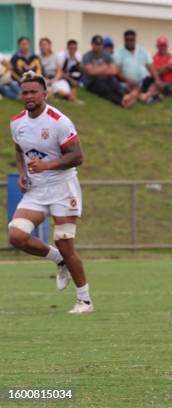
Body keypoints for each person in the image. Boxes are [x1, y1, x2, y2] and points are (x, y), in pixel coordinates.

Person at [8, 72, 93, 314]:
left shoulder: (58, 121)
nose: (29, 96)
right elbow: (19, 150)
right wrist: (23, 172)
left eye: (34, 91)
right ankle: (59, 260)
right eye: (25, 92)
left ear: (44, 94)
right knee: (16, 235)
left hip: (63, 188)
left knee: (65, 242)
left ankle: (84, 300)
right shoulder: (17, 123)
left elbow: (77, 157)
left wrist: (46, 166)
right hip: (36, 190)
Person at [81, 35, 138, 108]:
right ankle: (121, 102)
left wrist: (96, 68)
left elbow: (114, 71)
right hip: (92, 82)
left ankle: (126, 97)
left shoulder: (106, 55)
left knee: (114, 84)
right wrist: (105, 67)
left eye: (100, 44)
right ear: (92, 44)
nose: (98, 46)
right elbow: (90, 72)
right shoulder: (87, 56)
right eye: (96, 44)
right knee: (105, 90)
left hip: (106, 78)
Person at [114, 30, 163, 103]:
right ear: (124, 40)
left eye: (132, 39)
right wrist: (128, 80)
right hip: (127, 82)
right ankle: (148, 96)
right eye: (128, 39)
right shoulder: (118, 53)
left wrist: (157, 80)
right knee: (122, 86)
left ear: (135, 39)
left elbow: (151, 67)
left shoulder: (143, 51)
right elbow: (117, 72)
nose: (130, 41)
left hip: (142, 81)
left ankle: (145, 95)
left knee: (156, 82)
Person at [39, 38, 76, 102]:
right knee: (53, 88)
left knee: (61, 85)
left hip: (55, 78)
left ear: (50, 46)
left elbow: (59, 71)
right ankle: (68, 95)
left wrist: (54, 80)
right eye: (41, 45)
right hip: (44, 79)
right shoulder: (37, 58)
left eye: (45, 44)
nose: (43, 46)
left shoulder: (55, 57)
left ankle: (68, 95)